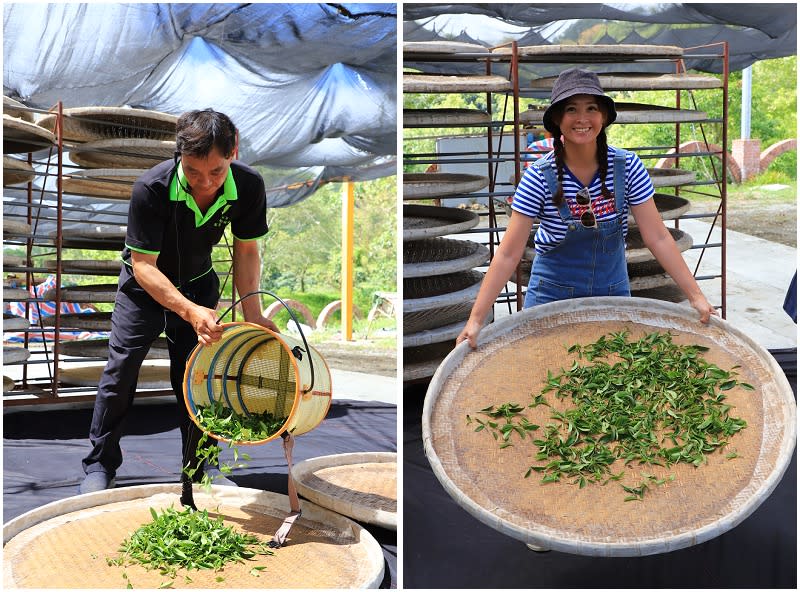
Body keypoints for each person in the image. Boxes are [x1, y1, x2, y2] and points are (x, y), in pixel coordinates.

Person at [79, 109, 278, 494]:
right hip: (144, 288)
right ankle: (99, 465)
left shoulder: (250, 186)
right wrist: (187, 311)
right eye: (193, 172)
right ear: (179, 156)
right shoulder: (151, 188)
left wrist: (253, 314)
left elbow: (247, 251)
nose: (205, 183)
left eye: (217, 172)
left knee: (197, 377)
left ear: (233, 152)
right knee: (121, 372)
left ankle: (202, 467)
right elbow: (143, 266)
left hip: (199, 285)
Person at [457, 68, 716, 349]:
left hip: (612, 292)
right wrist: (476, 319)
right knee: (548, 374)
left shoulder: (627, 167)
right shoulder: (538, 177)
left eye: (591, 108)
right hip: (551, 297)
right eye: (571, 109)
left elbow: (659, 237)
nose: (582, 119)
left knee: (611, 374)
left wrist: (695, 296)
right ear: (557, 119)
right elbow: (508, 254)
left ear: (603, 117)